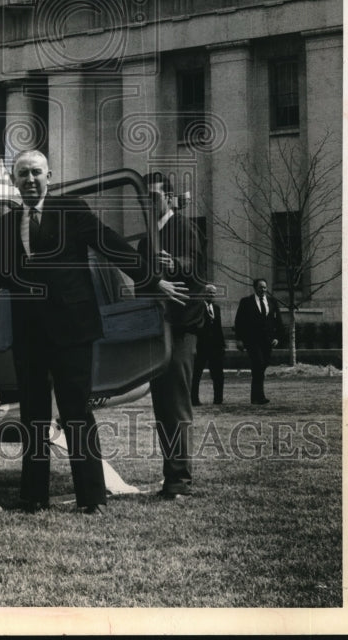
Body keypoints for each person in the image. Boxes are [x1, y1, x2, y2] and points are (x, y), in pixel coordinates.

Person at [0, 150, 188, 515]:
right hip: (28, 334)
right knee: (32, 415)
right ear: (14, 182)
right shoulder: (6, 223)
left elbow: (111, 244)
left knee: (75, 411)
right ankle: (32, 498)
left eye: (36, 173)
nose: (30, 180)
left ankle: (90, 497)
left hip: (72, 331)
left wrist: (153, 280)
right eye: (22, 175)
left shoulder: (71, 210)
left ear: (49, 175)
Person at [138, 171, 206, 500]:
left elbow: (195, 266)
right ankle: (171, 478)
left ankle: (180, 481)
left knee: (177, 407)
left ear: (168, 197)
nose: (148, 203)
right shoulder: (145, 238)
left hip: (180, 330)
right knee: (163, 407)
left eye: (153, 197)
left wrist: (175, 264)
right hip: (155, 331)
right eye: (144, 198)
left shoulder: (184, 227)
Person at [234, 278, 285, 404]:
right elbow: (239, 322)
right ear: (255, 288)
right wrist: (239, 339)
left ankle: (256, 396)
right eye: (260, 287)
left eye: (264, 287)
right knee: (258, 363)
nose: (262, 289)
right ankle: (258, 396)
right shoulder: (246, 302)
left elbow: (278, 321)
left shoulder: (272, 302)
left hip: (267, 341)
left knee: (261, 366)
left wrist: (277, 337)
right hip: (252, 340)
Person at [191, 283, 225, 405]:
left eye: (213, 293)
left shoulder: (216, 308)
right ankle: (194, 399)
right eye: (209, 292)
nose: (211, 295)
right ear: (204, 294)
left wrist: (222, 346)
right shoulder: (198, 308)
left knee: (218, 375)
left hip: (215, 347)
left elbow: (218, 328)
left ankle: (218, 399)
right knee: (196, 374)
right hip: (200, 346)